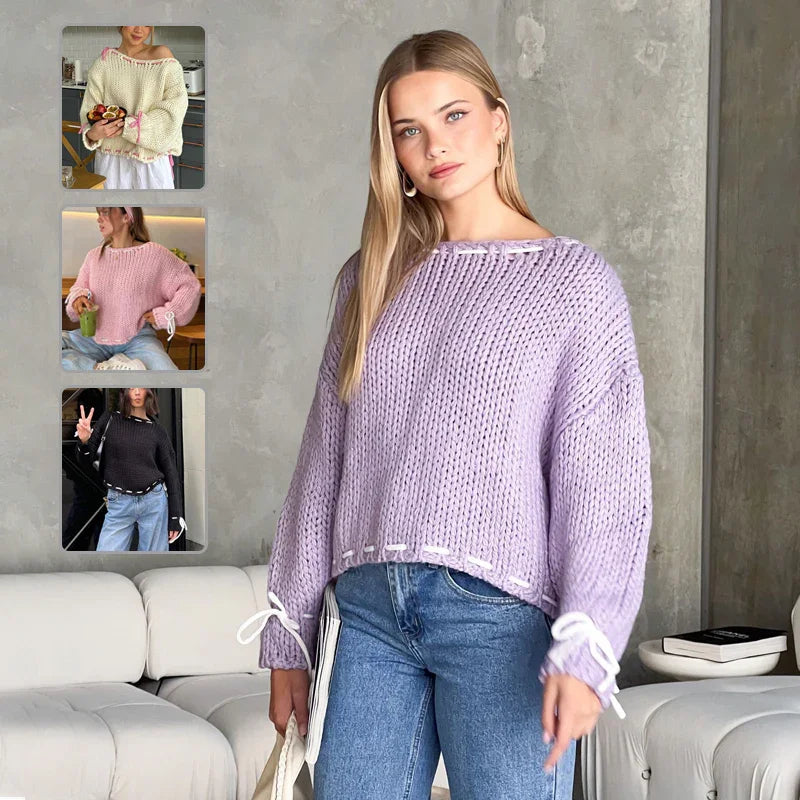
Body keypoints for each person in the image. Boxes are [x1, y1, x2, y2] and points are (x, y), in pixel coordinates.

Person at [256, 30, 652, 799]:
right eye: (410, 130)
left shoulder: (574, 285)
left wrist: (586, 647)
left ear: (499, 120)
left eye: (455, 116)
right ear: (393, 151)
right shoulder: (367, 279)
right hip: (369, 613)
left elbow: (602, 485)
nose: (436, 146)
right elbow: (321, 468)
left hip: (499, 622)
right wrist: (288, 638)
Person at [62, 206, 201, 371]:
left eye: (105, 212)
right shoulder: (94, 256)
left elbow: (190, 285)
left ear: (126, 216)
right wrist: (78, 299)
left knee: (168, 373)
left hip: (138, 340)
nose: (99, 218)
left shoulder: (155, 254)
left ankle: (109, 368)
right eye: (98, 213)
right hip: (94, 338)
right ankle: (101, 369)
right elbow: (79, 288)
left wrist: (167, 314)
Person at [75, 388, 186, 551]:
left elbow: (171, 474)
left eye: (141, 387)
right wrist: (84, 441)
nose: (137, 392)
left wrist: (176, 516)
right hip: (118, 502)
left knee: (153, 563)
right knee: (106, 559)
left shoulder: (157, 431)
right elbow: (86, 461)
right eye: (132, 388)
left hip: (154, 501)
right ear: (124, 392)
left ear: (149, 393)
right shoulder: (109, 420)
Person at [77, 26, 189, 189]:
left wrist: (130, 127)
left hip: (150, 160)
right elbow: (90, 110)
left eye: (146, 24)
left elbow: (175, 109)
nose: (139, 29)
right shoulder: (104, 62)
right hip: (111, 160)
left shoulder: (162, 56)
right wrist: (92, 134)